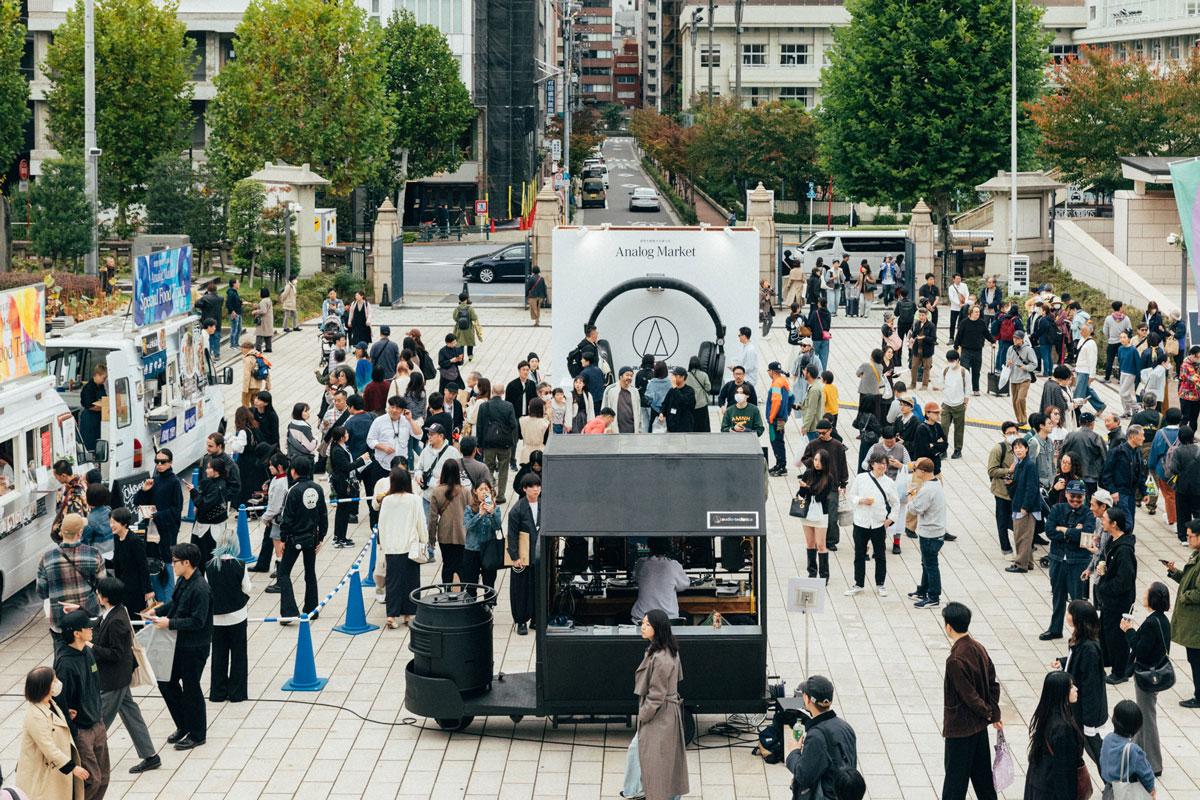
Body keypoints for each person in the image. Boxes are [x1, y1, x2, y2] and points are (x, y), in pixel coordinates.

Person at [146, 542, 212, 751]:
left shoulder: (201, 588)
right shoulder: (183, 581)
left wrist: (170, 623)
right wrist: (158, 611)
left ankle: (197, 733)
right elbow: (174, 604)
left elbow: (197, 621)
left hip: (195, 646)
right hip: (178, 643)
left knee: (192, 688)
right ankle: (183, 724)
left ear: (187, 562)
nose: (172, 564)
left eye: (175, 561)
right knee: (166, 681)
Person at [621, 609, 689, 800]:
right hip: (667, 712)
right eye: (643, 623)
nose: (643, 627)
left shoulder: (661, 658)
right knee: (664, 756)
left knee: (642, 751)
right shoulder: (666, 650)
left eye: (648, 624)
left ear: (657, 629)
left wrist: (643, 715)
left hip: (661, 714)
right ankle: (640, 791)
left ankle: (634, 791)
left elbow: (656, 695)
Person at [940, 602, 1002, 800]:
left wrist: (989, 713)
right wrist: (993, 714)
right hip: (979, 728)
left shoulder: (955, 659)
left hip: (960, 730)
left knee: (954, 783)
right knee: (983, 779)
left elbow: (970, 697)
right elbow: (993, 683)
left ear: (948, 626)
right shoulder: (978, 647)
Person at [53, 609, 110, 799]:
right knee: (91, 780)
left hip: (97, 722)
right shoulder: (65, 664)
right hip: (81, 731)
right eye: (88, 627)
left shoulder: (86, 651)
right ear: (77, 633)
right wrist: (74, 730)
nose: (92, 630)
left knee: (103, 778)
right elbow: (60, 701)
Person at [14, 665, 91, 797]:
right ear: (44, 687)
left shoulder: (50, 703)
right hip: (43, 776)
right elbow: (48, 747)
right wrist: (73, 768)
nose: (57, 683)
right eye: (54, 681)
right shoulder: (35, 716)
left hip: (54, 771)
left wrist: (64, 717)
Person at [1118, 581, 1170, 774]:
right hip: (1154, 672)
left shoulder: (1151, 623)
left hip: (1147, 675)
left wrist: (1129, 631)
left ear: (1153, 598)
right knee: (1144, 714)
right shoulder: (1161, 619)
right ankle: (1136, 752)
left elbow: (1140, 649)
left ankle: (1154, 764)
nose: (1144, 595)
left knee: (1147, 718)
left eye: (1147, 592)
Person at [783, 675, 857, 800]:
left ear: (806, 699)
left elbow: (803, 775)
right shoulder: (846, 727)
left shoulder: (817, 736)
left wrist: (794, 751)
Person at [38, 513, 103, 651]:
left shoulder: (46, 558)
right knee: (92, 658)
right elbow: (103, 586)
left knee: (63, 660)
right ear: (80, 532)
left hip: (60, 621)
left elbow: (42, 592)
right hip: (88, 617)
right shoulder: (93, 554)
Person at [276, 456, 328, 623]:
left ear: (294, 471)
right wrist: (321, 537)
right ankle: (312, 609)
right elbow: (323, 514)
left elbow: (287, 517)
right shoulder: (318, 489)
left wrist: (283, 538)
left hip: (294, 538)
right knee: (310, 572)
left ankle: (289, 611)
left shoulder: (294, 490)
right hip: (312, 537)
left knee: (284, 573)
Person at [1042, 480, 1096, 641]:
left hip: (1078, 562)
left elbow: (1087, 537)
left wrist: (1064, 530)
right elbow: (1050, 531)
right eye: (1072, 496)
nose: (1075, 499)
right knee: (1057, 596)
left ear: (1084, 496)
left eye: (1079, 497)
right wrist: (1074, 532)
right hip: (1058, 560)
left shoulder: (1088, 513)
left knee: (1078, 600)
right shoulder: (1057, 509)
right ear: (1066, 494)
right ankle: (1055, 628)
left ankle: (1081, 633)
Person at [377, 467, 428, 627]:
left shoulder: (387, 500)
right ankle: (408, 614)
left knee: (392, 582)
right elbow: (421, 522)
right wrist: (424, 540)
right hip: (410, 546)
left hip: (392, 547)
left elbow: (382, 525)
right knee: (411, 581)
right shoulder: (414, 499)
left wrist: (382, 546)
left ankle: (391, 616)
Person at [1023, 671, 1085, 800]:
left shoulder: (1047, 714)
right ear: (1061, 692)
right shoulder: (1063, 728)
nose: (1076, 689)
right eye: (1071, 686)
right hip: (1052, 791)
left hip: (1039, 782)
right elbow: (1064, 771)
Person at [205, 529, 251, 705]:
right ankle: (237, 692)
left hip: (216, 618)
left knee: (218, 655)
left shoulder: (209, 566)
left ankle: (218, 692)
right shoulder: (240, 564)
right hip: (237, 615)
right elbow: (247, 587)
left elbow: (207, 591)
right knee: (239, 655)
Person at [845, 452, 897, 597]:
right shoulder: (862, 478)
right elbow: (851, 496)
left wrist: (890, 519)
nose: (882, 466)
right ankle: (858, 583)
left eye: (885, 464)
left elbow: (896, 503)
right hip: (861, 521)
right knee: (859, 554)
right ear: (872, 464)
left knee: (880, 555)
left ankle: (880, 583)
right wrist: (860, 500)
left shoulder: (889, 483)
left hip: (878, 523)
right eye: (879, 463)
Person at [1165, 519, 1200, 709]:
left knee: (1196, 659)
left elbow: (1197, 592)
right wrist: (1174, 572)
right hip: (1192, 621)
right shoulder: (1196, 555)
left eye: (1190, 536)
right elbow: (1188, 580)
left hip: (1196, 622)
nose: (1188, 539)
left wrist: (1185, 596)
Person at [907, 458, 946, 608]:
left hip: (930, 533)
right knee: (926, 563)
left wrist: (909, 494)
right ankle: (923, 590)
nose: (914, 471)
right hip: (936, 531)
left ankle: (934, 597)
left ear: (922, 472)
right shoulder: (936, 484)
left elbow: (915, 509)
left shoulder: (926, 490)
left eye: (916, 469)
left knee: (931, 565)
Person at [507, 474, 542, 635]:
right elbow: (512, 535)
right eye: (532, 487)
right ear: (524, 489)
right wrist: (515, 557)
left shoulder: (544, 505)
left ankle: (536, 617)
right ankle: (521, 620)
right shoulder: (518, 509)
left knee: (538, 588)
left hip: (539, 555)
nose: (536, 489)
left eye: (538, 486)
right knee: (521, 590)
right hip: (523, 556)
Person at [1099, 701, 1156, 797]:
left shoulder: (1107, 738)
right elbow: (1146, 774)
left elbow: (1102, 762)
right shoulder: (1133, 750)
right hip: (1126, 793)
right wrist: (1151, 790)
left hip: (1109, 791)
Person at [182, 457, 229, 570]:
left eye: (209, 468)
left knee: (204, 558)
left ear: (216, 471)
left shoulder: (215, 487)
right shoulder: (220, 483)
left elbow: (203, 504)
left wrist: (193, 492)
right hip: (214, 525)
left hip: (208, 528)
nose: (206, 470)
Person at [253, 453, 291, 585]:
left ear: (279, 466)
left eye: (271, 465)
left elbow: (275, 507)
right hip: (275, 519)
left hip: (277, 521)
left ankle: (281, 578)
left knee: (279, 550)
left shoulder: (280, 483)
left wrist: (264, 518)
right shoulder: (278, 479)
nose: (269, 467)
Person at [797, 452, 835, 581]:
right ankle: (812, 572)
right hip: (807, 512)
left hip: (821, 513)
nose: (817, 463)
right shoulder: (808, 473)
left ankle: (824, 575)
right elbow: (801, 493)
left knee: (821, 545)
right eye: (815, 460)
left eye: (820, 461)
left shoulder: (828, 478)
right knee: (810, 543)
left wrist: (807, 487)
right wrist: (805, 488)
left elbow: (821, 497)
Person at [630, 538, 689, 622]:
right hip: (668, 618)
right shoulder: (674, 565)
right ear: (668, 549)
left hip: (641, 619)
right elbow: (684, 585)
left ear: (650, 548)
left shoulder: (641, 563)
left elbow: (635, 578)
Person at [108, 508, 153, 617]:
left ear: (123, 523)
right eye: (110, 522)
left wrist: (148, 590)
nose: (111, 525)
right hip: (122, 586)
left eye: (114, 522)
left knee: (134, 617)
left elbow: (143, 566)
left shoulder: (134, 541)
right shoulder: (117, 537)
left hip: (135, 588)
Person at [429, 459, 468, 585]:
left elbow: (433, 518)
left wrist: (431, 538)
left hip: (444, 533)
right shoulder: (465, 491)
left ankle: (446, 591)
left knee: (447, 564)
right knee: (461, 565)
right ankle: (462, 592)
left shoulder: (437, 491)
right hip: (462, 533)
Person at [1101, 424, 1145, 534]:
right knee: (1127, 523)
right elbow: (1106, 473)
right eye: (1142, 435)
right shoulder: (1118, 452)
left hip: (1131, 494)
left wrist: (1144, 492)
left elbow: (1140, 473)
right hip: (1120, 494)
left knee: (1129, 523)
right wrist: (1113, 490)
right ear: (1133, 437)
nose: (1144, 438)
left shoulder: (1137, 452)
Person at [463, 479, 501, 599]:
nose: (484, 492)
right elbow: (467, 526)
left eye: (486, 489)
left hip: (489, 549)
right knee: (470, 582)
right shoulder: (470, 509)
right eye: (481, 489)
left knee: (489, 581)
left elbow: (498, 526)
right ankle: (471, 607)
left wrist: (492, 513)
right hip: (472, 549)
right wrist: (480, 514)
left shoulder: (496, 509)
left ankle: (488, 605)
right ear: (475, 492)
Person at [1008, 436, 1040, 574]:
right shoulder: (1019, 464)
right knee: (1024, 535)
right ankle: (1028, 562)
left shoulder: (1030, 465)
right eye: (1016, 448)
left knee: (1022, 536)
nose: (1018, 450)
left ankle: (1021, 564)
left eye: (1021, 447)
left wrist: (1026, 506)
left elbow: (1032, 488)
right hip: (1018, 503)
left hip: (1025, 507)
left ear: (1027, 449)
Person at [1146, 408, 1181, 530]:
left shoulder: (1160, 433)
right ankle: (1174, 515)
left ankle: (1174, 520)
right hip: (1181, 469)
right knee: (1178, 495)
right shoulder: (1183, 432)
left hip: (1164, 469)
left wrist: (1151, 468)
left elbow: (1154, 452)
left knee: (1169, 495)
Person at [987, 422, 1018, 555]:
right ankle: (1005, 548)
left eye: (1015, 432)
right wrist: (1008, 471)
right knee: (1002, 520)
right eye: (1009, 433)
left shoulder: (1021, 448)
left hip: (1016, 491)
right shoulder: (998, 449)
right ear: (1004, 435)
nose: (1012, 435)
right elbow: (991, 470)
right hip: (1001, 491)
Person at [1167, 424, 1200, 543]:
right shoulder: (1198, 449)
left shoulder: (1178, 452)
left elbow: (1173, 469)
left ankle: (1184, 537)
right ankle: (1198, 534)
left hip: (1182, 487)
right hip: (1197, 486)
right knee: (1198, 511)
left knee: (1182, 512)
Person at [327, 426, 359, 549]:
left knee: (342, 510)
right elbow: (346, 467)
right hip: (342, 484)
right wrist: (362, 461)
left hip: (342, 482)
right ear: (341, 437)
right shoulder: (337, 451)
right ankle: (341, 538)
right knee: (343, 511)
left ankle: (339, 536)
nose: (348, 435)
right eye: (346, 433)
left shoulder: (340, 447)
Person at [765, 362, 792, 474]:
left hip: (775, 419)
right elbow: (791, 398)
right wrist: (787, 412)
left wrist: (771, 417)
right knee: (780, 440)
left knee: (775, 440)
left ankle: (781, 465)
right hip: (781, 418)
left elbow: (776, 402)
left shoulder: (776, 384)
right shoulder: (784, 382)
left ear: (771, 371)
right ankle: (780, 463)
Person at [1007, 330, 1038, 426]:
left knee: (1020, 399)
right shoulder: (1010, 349)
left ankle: (1023, 419)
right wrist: (1008, 364)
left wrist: (1025, 367)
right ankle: (1019, 419)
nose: (1015, 340)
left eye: (1017, 338)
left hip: (1025, 378)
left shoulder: (1028, 350)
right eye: (1014, 338)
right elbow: (1007, 361)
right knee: (1015, 400)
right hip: (1014, 377)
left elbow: (1034, 363)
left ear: (1022, 339)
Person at [1074, 323, 1106, 415]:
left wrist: (1092, 374)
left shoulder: (1091, 344)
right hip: (1079, 368)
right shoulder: (1081, 340)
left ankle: (1076, 408)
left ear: (1089, 331)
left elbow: (1092, 360)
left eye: (1083, 330)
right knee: (1087, 390)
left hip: (1085, 371)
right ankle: (1100, 405)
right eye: (1081, 330)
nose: (1081, 332)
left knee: (1079, 391)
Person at [603, 366, 644, 434]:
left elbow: (638, 410)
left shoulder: (635, 391)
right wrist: (607, 427)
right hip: (615, 428)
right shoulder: (610, 389)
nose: (629, 378)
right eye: (627, 375)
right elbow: (605, 409)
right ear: (620, 376)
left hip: (632, 428)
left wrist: (639, 427)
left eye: (631, 376)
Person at [79, 364, 108, 453]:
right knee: (90, 443)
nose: (105, 380)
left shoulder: (101, 387)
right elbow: (89, 405)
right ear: (97, 375)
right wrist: (103, 408)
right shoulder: (88, 388)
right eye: (104, 378)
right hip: (89, 420)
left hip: (98, 419)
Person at [659, 366, 696, 433]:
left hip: (684, 426)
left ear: (682, 377)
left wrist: (675, 387)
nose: (673, 378)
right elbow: (665, 404)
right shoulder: (671, 390)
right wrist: (661, 413)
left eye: (675, 376)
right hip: (672, 426)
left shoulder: (689, 391)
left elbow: (682, 401)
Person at [909, 308, 936, 390]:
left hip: (927, 350)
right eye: (920, 315)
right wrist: (912, 338)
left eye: (923, 315)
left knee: (926, 367)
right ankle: (913, 384)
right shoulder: (917, 324)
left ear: (926, 316)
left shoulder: (931, 326)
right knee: (914, 366)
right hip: (917, 349)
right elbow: (914, 334)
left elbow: (933, 339)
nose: (921, 317)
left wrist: (924, 337)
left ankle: (925, 384)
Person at [240, 340, 271, 408]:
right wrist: (268, 385)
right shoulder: (259, 356)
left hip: (249, 387)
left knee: (245, 406)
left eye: (242, 348)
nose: (241, 350)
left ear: (247, 349)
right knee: (256, 406)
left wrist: (245, 389)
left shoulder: (248, 359)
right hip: (258, 386)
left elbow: (246, 374)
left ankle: (247, 418)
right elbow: (266, 371)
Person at [251, 286, 274, 352]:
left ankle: (258, 349)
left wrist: (256, 311)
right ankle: (268, 348)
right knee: (267, 334)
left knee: (259, 334)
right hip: (268, 319)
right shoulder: (268, 299)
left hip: (263, 320)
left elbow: (263, 311)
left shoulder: (263, 301)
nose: (258, 293)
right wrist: (258, 306)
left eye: (259, 292)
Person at [226, 278, 243, 348]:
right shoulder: (231, 292)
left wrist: (242, 303)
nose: (239, 284)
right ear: (233, 284)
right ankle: (232, 344)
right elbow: (228, 303)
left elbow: (236, 302)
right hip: (234, 313)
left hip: (238, 312)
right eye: (237, 283)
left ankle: (236, 343)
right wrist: (232, 311)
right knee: (234, 329)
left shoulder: (235, 292)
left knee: (239, 329)